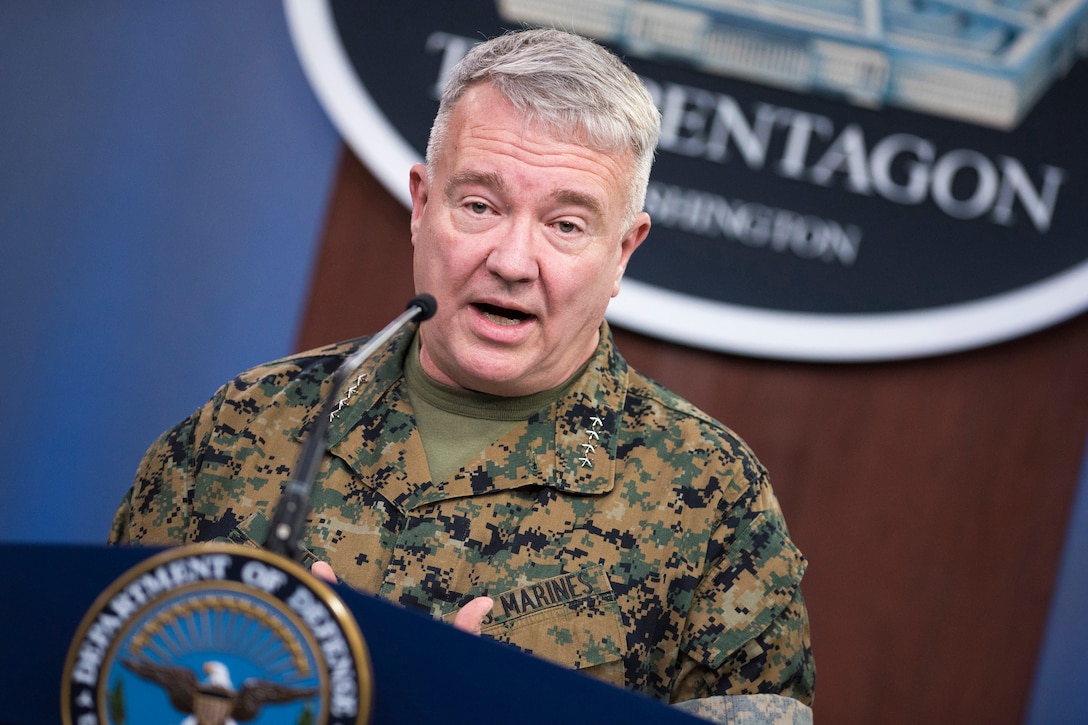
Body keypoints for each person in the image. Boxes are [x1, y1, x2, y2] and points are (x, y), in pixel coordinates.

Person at [110, 28, 814, 723]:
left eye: (566, 225)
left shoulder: (712, 498)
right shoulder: (246, 425)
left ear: (623, 250)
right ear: (422, 205)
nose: (512, 259)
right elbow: (96, 674)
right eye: (480, 205)